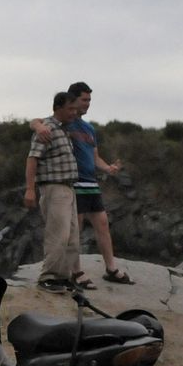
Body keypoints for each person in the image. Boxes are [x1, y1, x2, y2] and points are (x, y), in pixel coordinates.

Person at [32, 82, 131, 285]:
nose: (87, 104)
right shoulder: (65, 122)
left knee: (102, 223)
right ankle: (75, 272)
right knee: (71, 230)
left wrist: (108, 168)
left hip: (90, 183)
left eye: (89, 100)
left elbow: (94, 157)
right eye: (84, 100)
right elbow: (38, 122)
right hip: (72, 183)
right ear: (73, 100)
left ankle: (111, 268)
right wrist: (37, 125)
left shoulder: (88, 128)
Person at [24, 91, 82, 291]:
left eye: (75, 109)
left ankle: (63, 276)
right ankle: (48, 277)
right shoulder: (46, 129)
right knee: (58, 233)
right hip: (53, 188)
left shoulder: (64, 130)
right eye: (70, 109)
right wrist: (30, 189)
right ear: (58, 108)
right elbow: (32, 159)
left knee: (72, 236)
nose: (74, 113)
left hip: (68, 188)